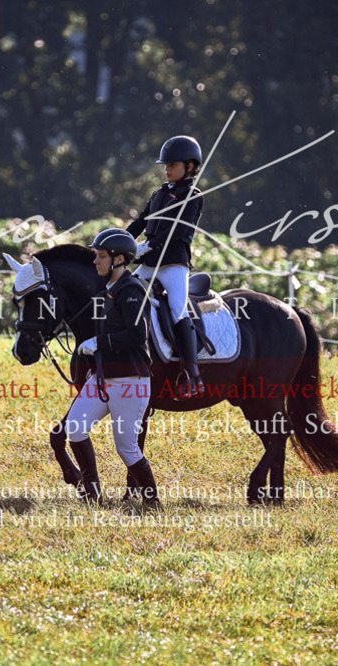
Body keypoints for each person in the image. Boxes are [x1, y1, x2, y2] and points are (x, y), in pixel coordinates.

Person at [68, 228, 161, 507]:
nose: (96, 261)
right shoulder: (106, 290)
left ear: (119, 259)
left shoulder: (132, 290)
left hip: (130, 381)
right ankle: (92, 496)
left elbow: (136, 335)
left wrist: (99, 342)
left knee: (127, 449)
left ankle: (152, 502)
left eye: (101, 256)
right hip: (103, 379)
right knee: (74, 427)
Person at [126, 135, 205, 398]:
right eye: (166, 164)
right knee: (124, 293)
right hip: (149, 262)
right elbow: (140, 223)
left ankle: (192, 374)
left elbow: (175, 231)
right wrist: (122, 242)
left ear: (190, 167)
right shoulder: (159, 194)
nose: (167, 169)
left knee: (177, 309)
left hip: (173, 263)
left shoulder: (193, 197)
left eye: (173, 164)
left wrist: (146, 247)